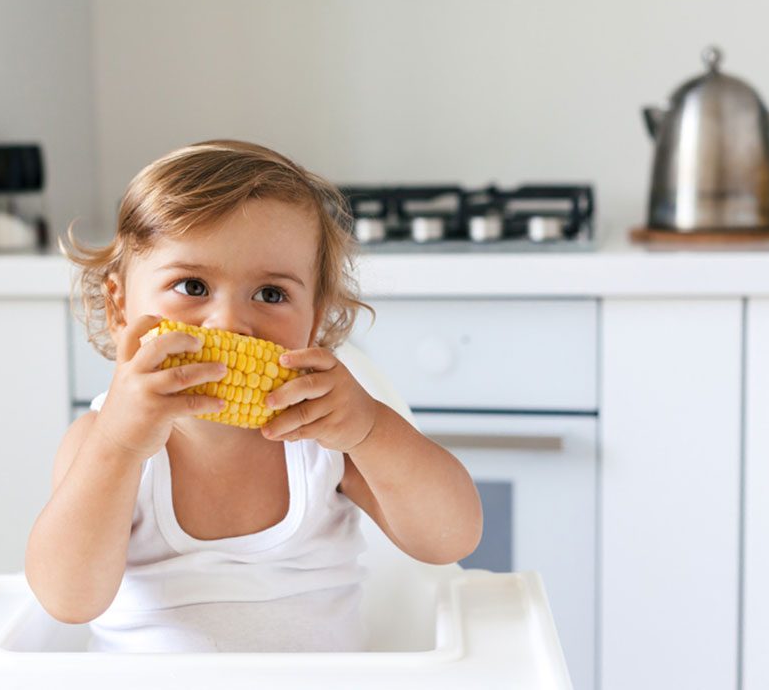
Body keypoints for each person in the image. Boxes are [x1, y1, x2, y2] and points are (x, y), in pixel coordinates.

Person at [24, 140, 483, 652]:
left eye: (271, 294)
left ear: (317, 318)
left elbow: (450, 540)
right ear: (119, 307)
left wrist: (372, 430)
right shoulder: (102, 442)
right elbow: (67, 600)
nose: (230, 323)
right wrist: (118, 445)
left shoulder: (325, 440)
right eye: (192, 286)